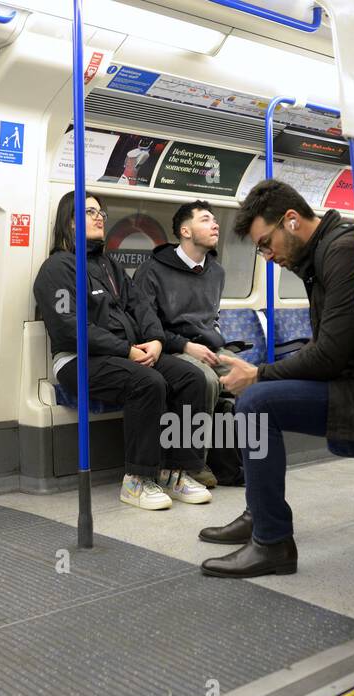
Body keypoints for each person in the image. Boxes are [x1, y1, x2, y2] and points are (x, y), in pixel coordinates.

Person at [198, 179, 354, 577]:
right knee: (258, 396)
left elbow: (329, 356)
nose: (267, 257)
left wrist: (259, 374)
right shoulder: (319, 258)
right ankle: (260, 514)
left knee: (255, 402)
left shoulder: (345, 253)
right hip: (353, 381)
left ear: (292, 220)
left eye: (267, 243)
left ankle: (272, 544)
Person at [33, 191, 212, 510]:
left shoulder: (110, 266)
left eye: (101, 211)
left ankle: (175, 472)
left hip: (124, 356)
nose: (99, 216)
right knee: (147, 381)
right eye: (89, 212)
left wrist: (155, 340)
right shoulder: (57, 269)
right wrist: (127, 350)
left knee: (190, 377)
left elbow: (140, 306)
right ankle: (137, 481)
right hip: (80, 361)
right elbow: (70, 328)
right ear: (70, 222)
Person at [133, 200, 241, 488]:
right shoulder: (152, 271)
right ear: (185, 231)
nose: (215, 224)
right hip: (171, 348)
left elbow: (211, 317)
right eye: (205, 220)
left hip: (209, 346)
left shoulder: (216, 272)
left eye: (215, 220)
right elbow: (147, 326)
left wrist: (212, 343)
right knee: (204, 380)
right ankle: (193, 463)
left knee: (249, 375)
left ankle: (232, 462)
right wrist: (184, 346)